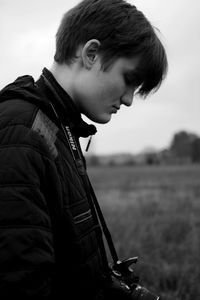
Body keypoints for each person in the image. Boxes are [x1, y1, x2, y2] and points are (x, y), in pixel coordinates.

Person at [0, 0, 168, 298]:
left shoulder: (58, 126)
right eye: (129, 79)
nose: (129, 99)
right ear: (91, 53)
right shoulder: (20, 131)